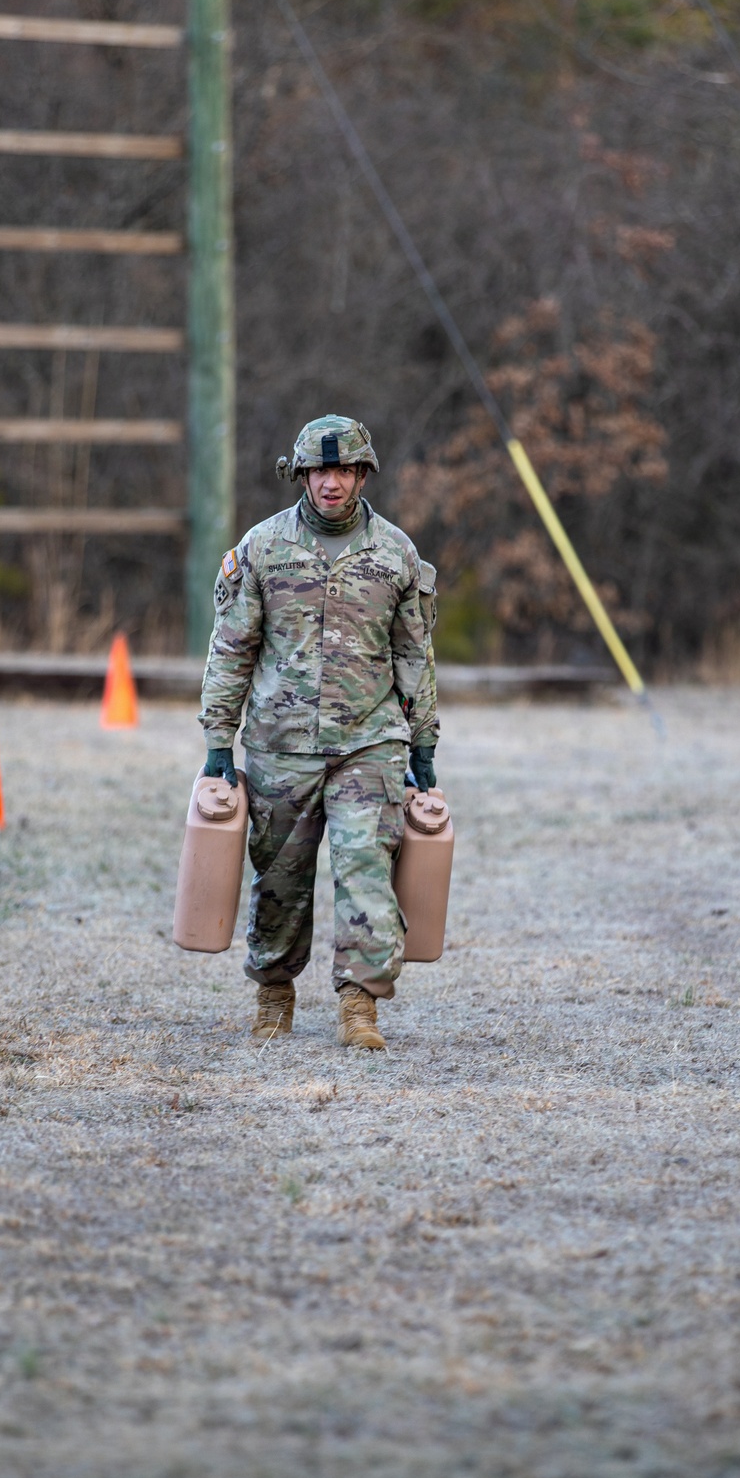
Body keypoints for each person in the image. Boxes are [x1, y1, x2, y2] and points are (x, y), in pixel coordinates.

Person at [198, 414, 439, 1049]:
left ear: (362, 474)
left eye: (342, 470)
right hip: (280, 745)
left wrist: (424, 744)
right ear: (300, 474)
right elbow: (231, 650)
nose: (330, 483)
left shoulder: (395, 554)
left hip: (370, 741)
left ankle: (360, 1006)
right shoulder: (262, 547)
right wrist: (218, 742)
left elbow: (415, 654)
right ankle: (274, 993)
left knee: (366, 869)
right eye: (319, 470)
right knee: (280, 878)